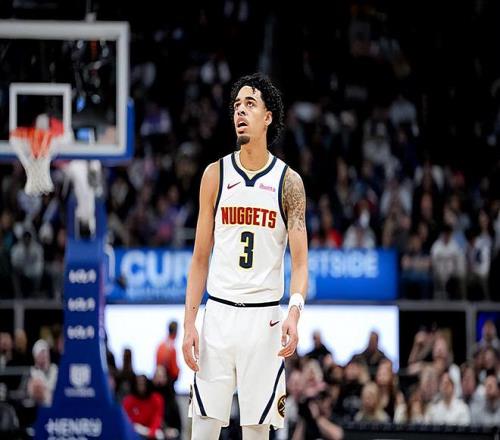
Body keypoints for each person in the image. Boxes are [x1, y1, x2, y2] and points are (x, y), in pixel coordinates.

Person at [182, 73, 308, 440]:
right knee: (203, 429)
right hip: (218, 315)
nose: (240, 111)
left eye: (249, 104)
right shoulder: (215, 175)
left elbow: (301, 263)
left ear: (268, 117)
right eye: (237, 105)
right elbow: (199, 259)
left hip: (264, 320)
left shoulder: (289, 182)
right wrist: (189, 323)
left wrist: (294, 312)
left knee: (256, 432)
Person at [156, 321, 180, 387]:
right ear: (176, 332)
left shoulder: (161, 345)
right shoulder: (171, 348)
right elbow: (174, 371)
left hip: (160, 381)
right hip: (168, 382)